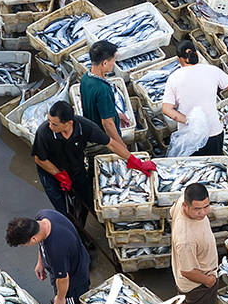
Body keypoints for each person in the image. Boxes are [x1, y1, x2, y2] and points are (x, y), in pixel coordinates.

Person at [31, 100, 155, 242]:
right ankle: (75, 236)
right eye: (49, 121)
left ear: (68, 123)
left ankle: (83, 225)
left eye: (54, 124)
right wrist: (58, 175)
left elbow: (111, 144)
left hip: (75, 169)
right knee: (63, 210)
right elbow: (39, 159)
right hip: (50, 174)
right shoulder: (44, 133)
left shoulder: (84, 126)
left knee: (87, 199)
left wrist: (136, 162)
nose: (50, 126)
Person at [5, 211, 91, 304]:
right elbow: (42, 242)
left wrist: (61, 298)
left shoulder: (56, 251)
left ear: (33, 238)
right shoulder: (44, 216)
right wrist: (41, 262)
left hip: (73, 280)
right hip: (67, 265)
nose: (27, 246)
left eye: (25, 244)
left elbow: (63, 278)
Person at [161, 40, 228, 157]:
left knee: (194, 171)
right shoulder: (213, 70)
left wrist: (189, 121)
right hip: (214, 133)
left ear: (179, 59)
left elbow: (167, 110)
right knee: (213, 168)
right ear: (197, 54)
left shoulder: (174, 78)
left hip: (190, 136)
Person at [171, 183, 224, 304]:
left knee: (184, 301)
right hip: (197, 283)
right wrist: (208, 281)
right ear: (186, 206)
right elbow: (188, 271)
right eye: (197, 209)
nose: (203, 213)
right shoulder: (186, 240)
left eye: (206, 206)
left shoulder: (179, 204)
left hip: (182, 279)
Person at [81, 40, 132, 147]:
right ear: (104, 63)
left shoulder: (85, 77)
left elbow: (95, 106)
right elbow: (107, 123)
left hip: (92, 129)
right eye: (113, 61)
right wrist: (120, 144)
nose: (114, 64)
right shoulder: (103, 89)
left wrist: (117, 115)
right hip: (103, 139)